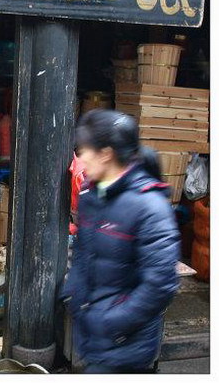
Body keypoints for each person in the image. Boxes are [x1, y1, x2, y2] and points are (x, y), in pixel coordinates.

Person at [61, 109, 180, 373]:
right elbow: (84, 253)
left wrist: (111, 322)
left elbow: (161, 284)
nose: (80, 157)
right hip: (94, 336)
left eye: (85, 149)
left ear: (106, 153)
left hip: (126, 343)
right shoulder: (91, 194)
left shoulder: (149, 206)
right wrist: (73, 294)